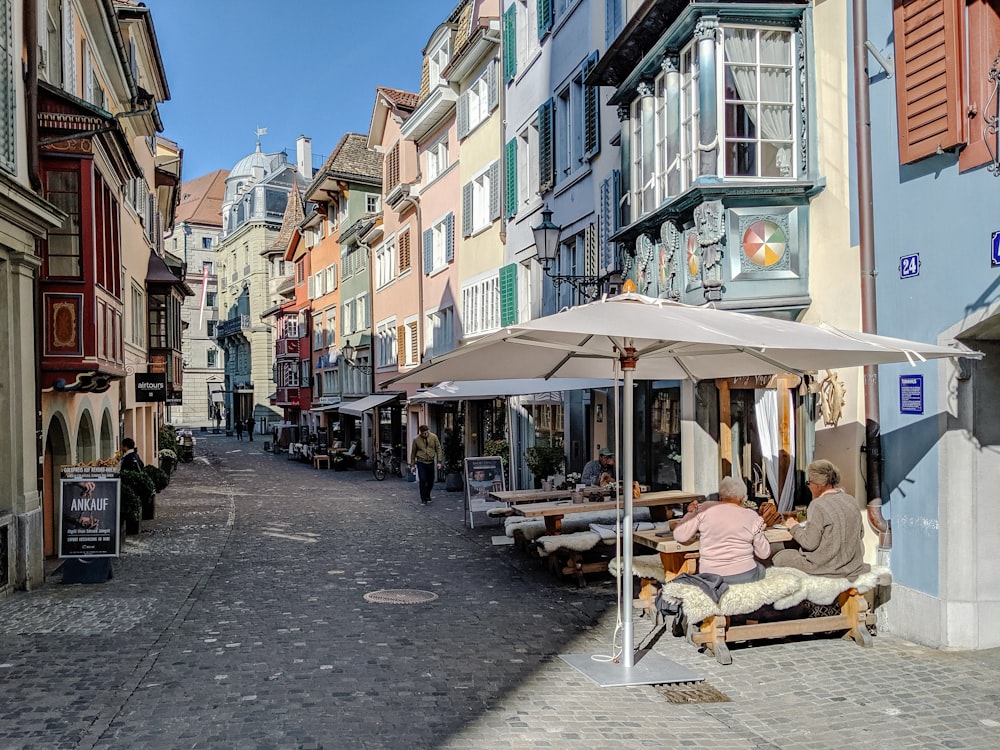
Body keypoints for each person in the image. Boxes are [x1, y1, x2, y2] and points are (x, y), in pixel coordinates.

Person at [772, 459, 870, 578]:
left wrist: (793, 526)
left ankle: (797, 595)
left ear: (818, 486)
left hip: (827, 568)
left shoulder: (818, 505)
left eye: (809, 483)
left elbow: (809, 544)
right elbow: (860, 533)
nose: (808, 487)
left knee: (780, 557)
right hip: (852, 566)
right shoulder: (851, 500)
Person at [672, 476, 772, 584]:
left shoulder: (704, 508)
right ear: (743, 498)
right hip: (745, 575)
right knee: (762, 568)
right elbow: (764, 554)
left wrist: (690, 512)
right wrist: (759, 532)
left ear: (720, 495)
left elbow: (680, 536)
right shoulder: (751, 515)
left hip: (711, 576)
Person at [409, 424, 442, 505]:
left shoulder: (433, 437)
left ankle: (427, 494)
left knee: (431, 480)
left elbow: (438, 448)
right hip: (421, 462)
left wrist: (439, 461)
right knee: (423, 480)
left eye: (426, 433)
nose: (425, 434)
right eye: (423, 433)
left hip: (430, 461)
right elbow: (413, 452)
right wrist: (412, 465)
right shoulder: (416, 439)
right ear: (421, 433)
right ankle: (423, 498)